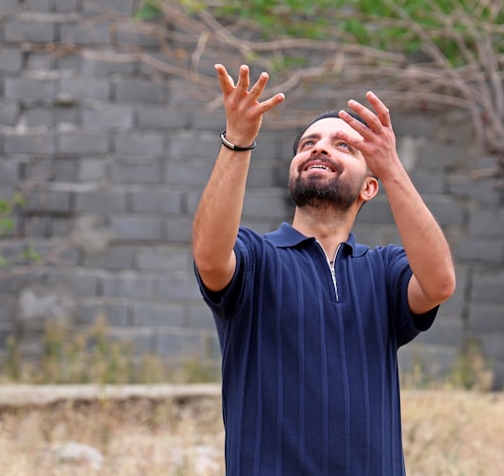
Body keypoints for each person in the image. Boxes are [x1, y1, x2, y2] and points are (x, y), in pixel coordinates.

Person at [192, 63, 456, 475]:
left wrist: (391, 166)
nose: (318, 149)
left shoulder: (384, 271)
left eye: (343, 146)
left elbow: (439, 283)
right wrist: (238, 141)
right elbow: (209, 258)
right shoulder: (255, 259)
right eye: (308, 143)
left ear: (370, 187)